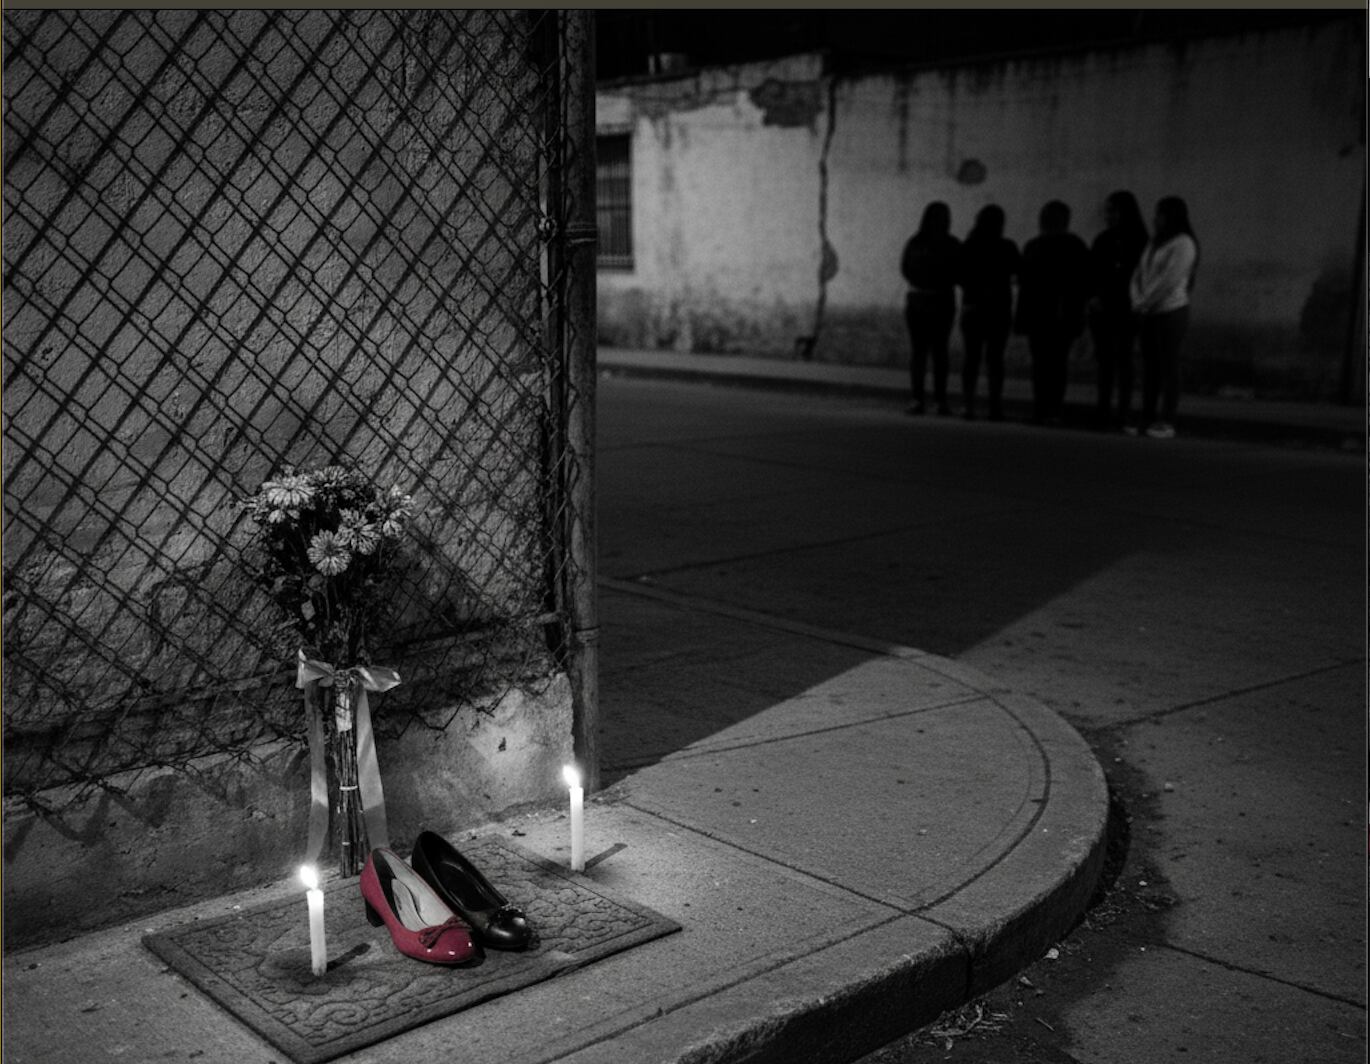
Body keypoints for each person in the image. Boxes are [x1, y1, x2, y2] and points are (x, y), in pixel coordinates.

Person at [1014, 200, 1091, 425]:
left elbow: (1025, 283)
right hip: (1061, 314)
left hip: (1041, 314)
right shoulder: (1075, 246)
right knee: (1056, 364)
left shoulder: (1035, 245)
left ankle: (1042, 408)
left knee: (1042, 364)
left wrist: (1021, 319)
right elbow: (1083, 283)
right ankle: (1052, 409)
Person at [1130, 196, 1199, 439]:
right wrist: (1137, 298)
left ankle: (1167, 420)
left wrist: (1144, 301)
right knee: (1150, 367)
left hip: (1171, 311)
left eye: (1159, 214)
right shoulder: (1155, 242)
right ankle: (1147, 417)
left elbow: (1169, 279)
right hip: (1149, 311)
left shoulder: (1184, 244)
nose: (1155, 218)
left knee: (1169, 365)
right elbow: (1139, 272)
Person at [1087, 191, 1149, 431]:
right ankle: (1104, 408)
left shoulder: (1139, 241)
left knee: (1123, 359)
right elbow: (1092, 271)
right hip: (1105, 307)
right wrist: (1093, 297)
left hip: (1126, 307)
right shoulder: (1104, 239)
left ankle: (1122, 409)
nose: (1108, 216)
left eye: (1113, 211)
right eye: (1108, 211)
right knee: (1106, 360)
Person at [956, 204, 1019, 420]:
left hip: (973, 308)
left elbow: (959, 276)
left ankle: (968, 405)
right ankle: (994, 406)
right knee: (995, 360)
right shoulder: (1007, 247)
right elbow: (1017, 274)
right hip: (999, 309)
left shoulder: (969, 246)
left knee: (971, 359)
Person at [900, 202, 961, 415]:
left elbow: (905, 269)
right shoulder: (951, 244)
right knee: (939, 352)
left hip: (917, 299)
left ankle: (917, 398)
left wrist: (921, 281)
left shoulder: (915, 242)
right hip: (942, 300)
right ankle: (939, 400)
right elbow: (958, 272)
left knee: (919, 352)